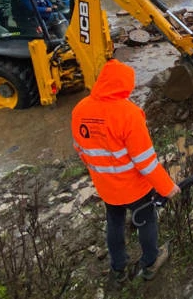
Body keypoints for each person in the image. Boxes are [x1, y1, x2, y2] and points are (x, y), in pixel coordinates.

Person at [71, 59, 180, 282]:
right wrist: (167, 188)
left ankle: (118, 268)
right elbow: (145, 162)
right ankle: (150, 262)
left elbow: (80, 149)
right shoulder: (129, 113)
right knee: (146, 221)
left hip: (106, 187)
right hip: (135, 188)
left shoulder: (80, 109)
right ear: (125, 85)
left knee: (114, 223)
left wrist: (101, 173)